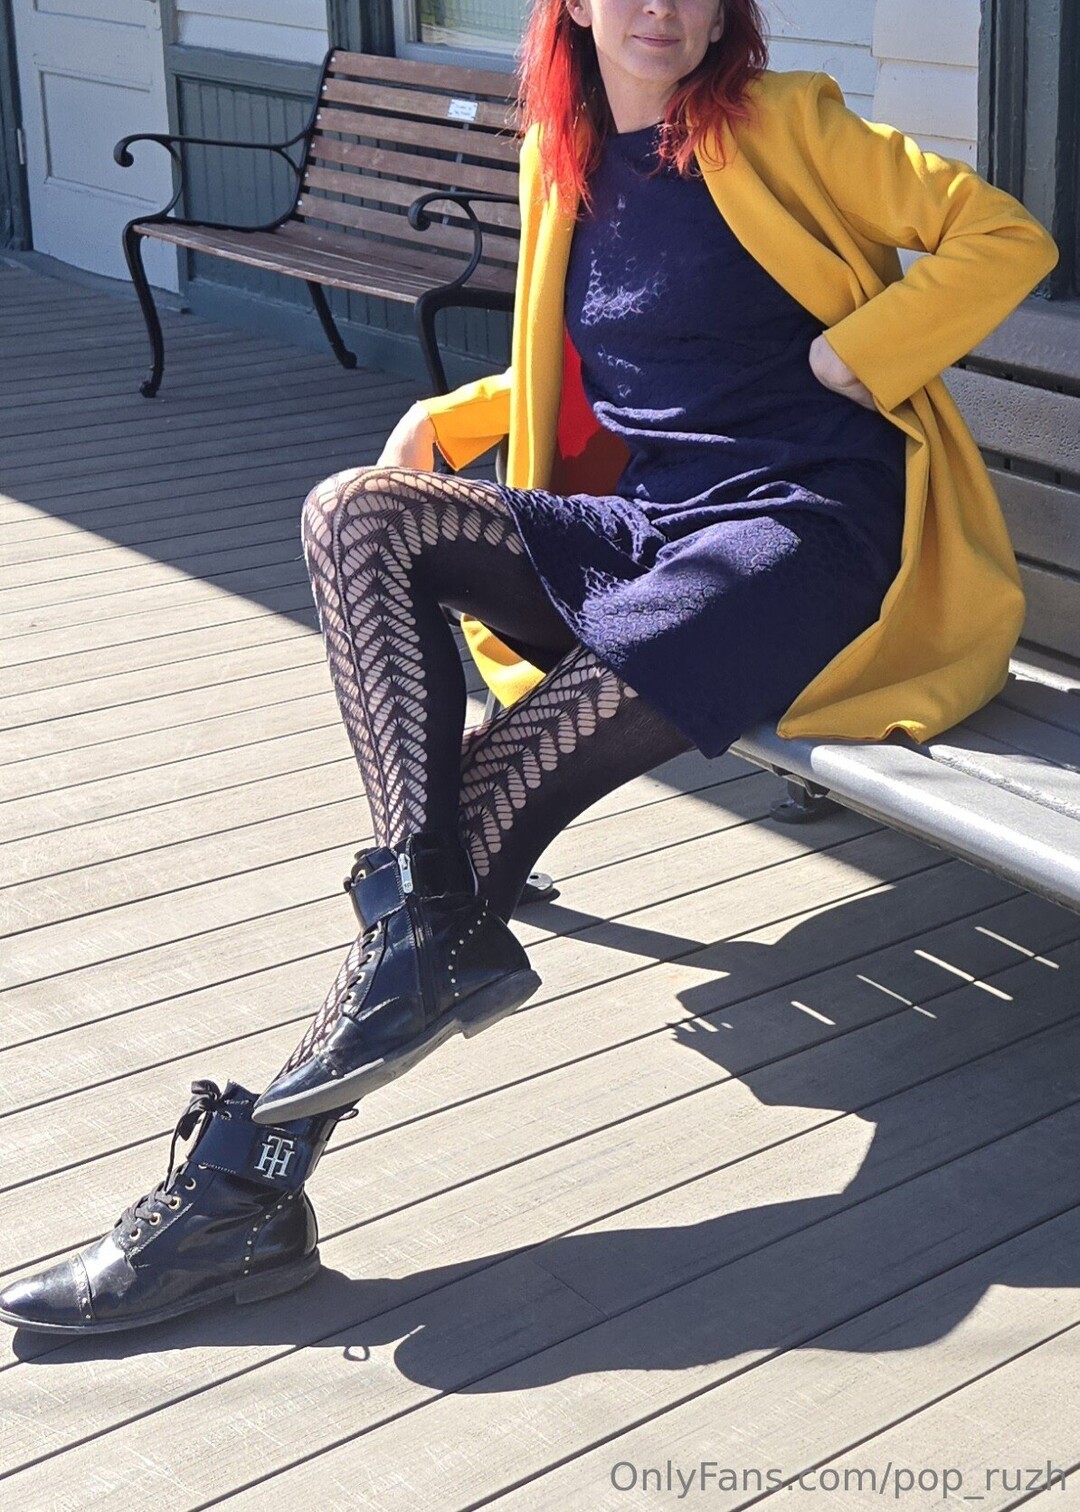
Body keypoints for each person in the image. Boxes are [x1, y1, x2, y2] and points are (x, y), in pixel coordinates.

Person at [0, 0, 1058, 1336]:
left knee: (496, 790)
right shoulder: (564, 156)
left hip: (806, 536)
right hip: (660, 530)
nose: (665, 9)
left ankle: (245, 1188)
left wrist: (855, 355)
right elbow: (599, 359)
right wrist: (453, 414)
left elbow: (1004, 236)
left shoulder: (790, 124)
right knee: (356, 514)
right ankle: (412, 942)